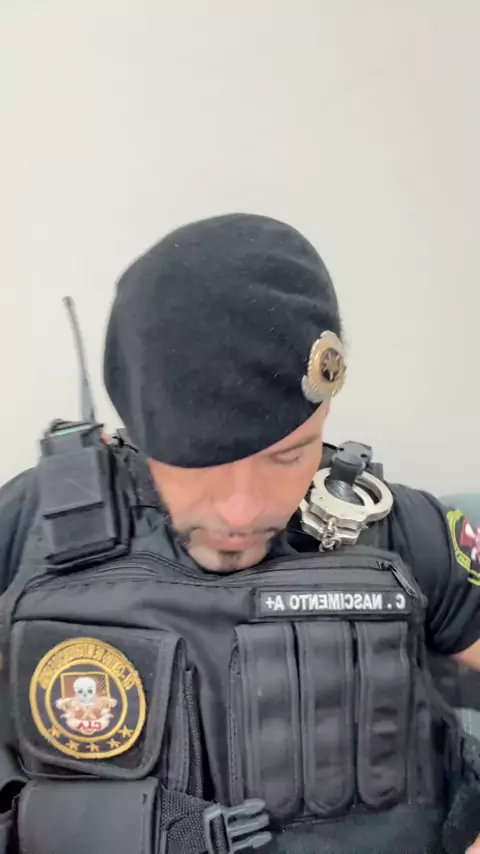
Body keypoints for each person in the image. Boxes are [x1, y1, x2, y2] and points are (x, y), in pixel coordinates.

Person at [0, 213, 479, 854]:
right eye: (202, 464)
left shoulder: (395, 527)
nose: (242, 509)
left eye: (288, 455)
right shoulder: (32, 523)